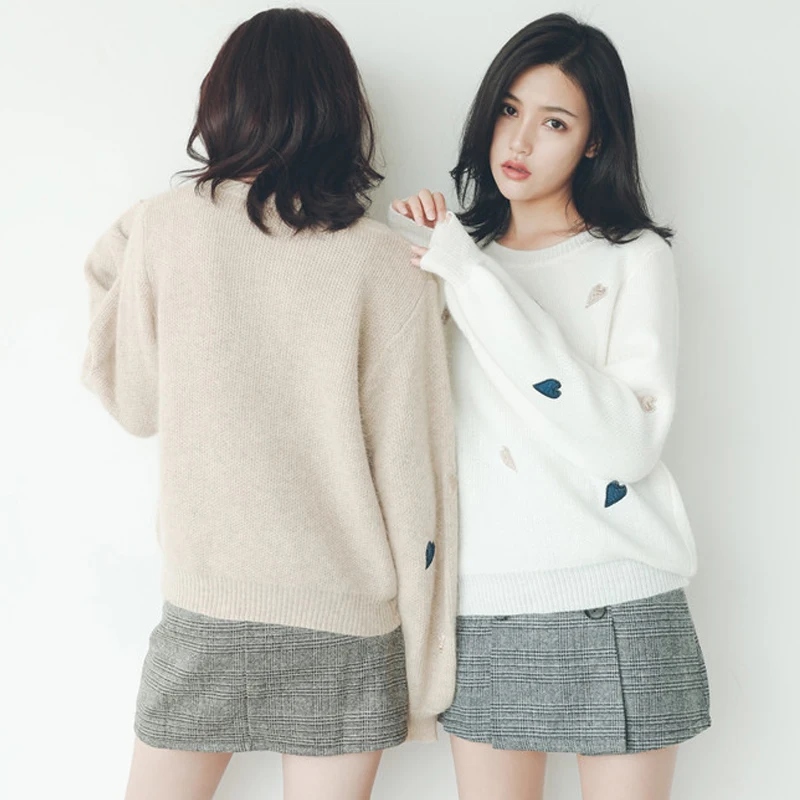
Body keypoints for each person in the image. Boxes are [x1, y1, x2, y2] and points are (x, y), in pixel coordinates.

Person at [81, 9, 457, 800]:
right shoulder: (389, 264)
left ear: (223, 100)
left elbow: (135, 403)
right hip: (348, 619)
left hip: (207, 606)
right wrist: (426, 679)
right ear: (341, 112)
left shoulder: (165, 227)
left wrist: (128, 244)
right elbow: (415, 478)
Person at [390, 13, 710, 800]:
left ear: (595, 142)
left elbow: (627, 447)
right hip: (486, 606)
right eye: (509, 109)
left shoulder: (634, 259)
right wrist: (450, 261)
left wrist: (472, 278)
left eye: (555, 122)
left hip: (622, 601)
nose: (521, 140)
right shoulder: (443, 260)